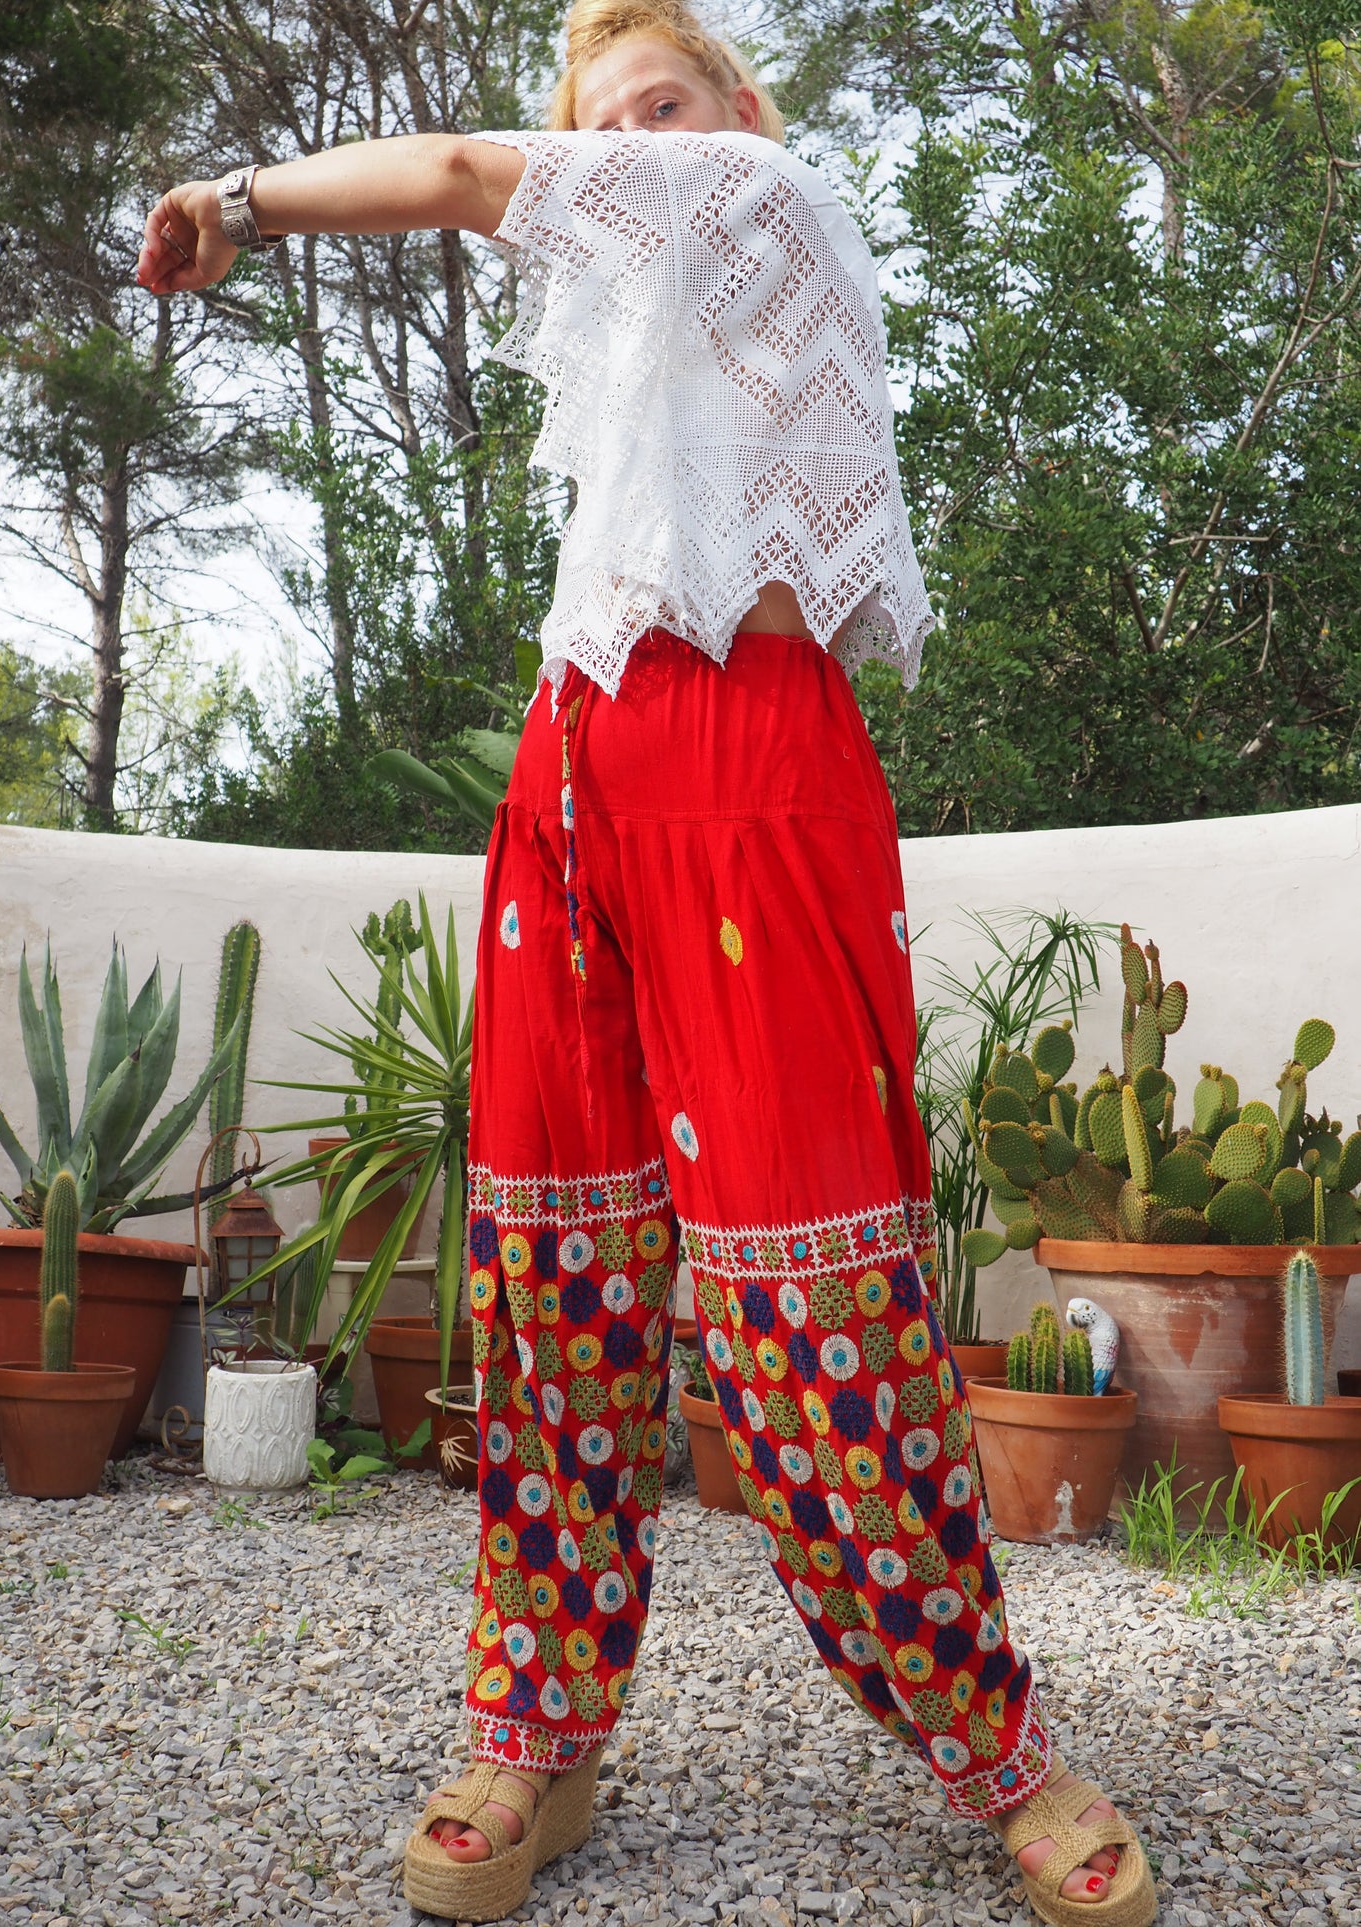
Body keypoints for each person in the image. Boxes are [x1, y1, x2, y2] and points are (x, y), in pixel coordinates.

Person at [139, 6, 1156, 1923]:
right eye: (607, 129)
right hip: (575, 762)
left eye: (658, 108)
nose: (635, 148)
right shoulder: (642, 333)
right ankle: (538, 1735)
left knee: (814, 1292)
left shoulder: (764, 193)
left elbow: (451, 181)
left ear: (738, 114)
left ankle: (996, 1750)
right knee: (554, 1275)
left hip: (757, 773)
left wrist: (234, 201)